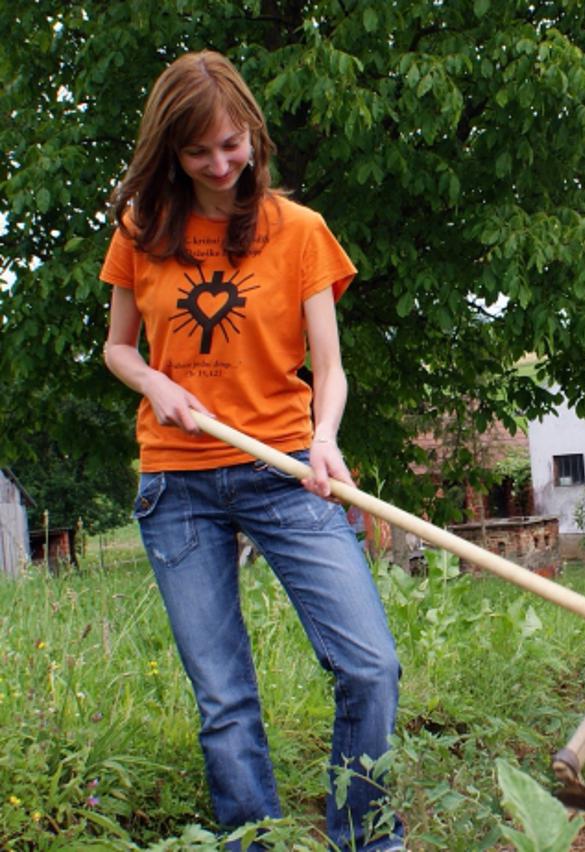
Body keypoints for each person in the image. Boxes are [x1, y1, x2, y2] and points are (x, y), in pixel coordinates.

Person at [101, 51, 403, 851]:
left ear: (252, 135)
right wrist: (155, 385)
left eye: (231, 145)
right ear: (171, 151)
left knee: (370, 667)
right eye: (199, 152)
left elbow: (329, 367)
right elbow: (118, 349)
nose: (219, 164)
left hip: (283, 471)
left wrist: (325, 441)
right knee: (224, 699)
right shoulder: (141, 231)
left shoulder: (296, 231)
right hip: (179, 483)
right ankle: (253, 843)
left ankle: (366, 837)